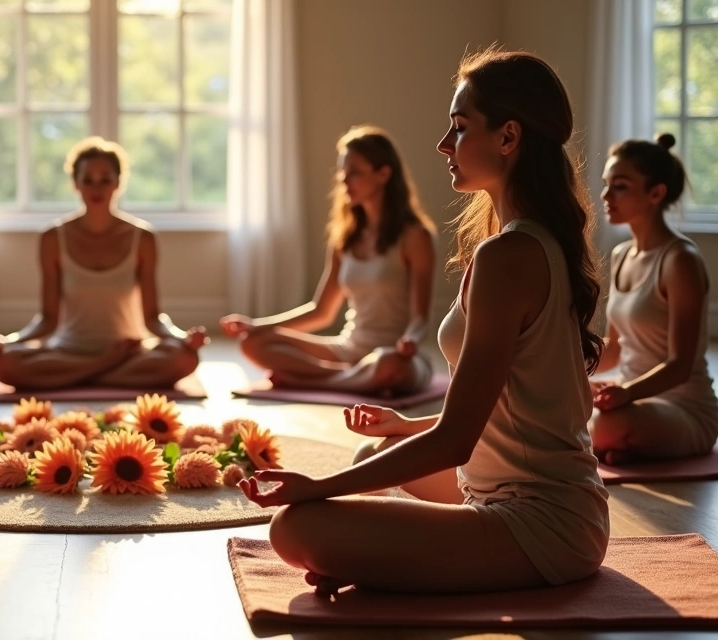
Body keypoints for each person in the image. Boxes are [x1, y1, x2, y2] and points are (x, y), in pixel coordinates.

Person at [240, 49, 609, 594]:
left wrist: (316, 487)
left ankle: (381, 555)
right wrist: (408, 426)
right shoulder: (517, 244)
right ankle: (386, 553)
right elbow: (507, 409)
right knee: (377, 453)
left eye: (459, 128)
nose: (443, 144)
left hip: (543, 523)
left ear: (508, 137)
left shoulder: (510, 256)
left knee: (297, 525)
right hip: (515, 490)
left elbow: (456, 441)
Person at [221, 126, 435, 395]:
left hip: (395, 355)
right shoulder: (343, 238)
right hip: (347, 351)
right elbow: (321, 311)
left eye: (355, 172)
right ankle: (352, 379)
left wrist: (411, 341)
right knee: (251, 342)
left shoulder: (416, 236)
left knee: (388, 365)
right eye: (342, 172)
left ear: (384, 174)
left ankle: (313, 381)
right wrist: (257, 325)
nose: (345, 180)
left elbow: (420, 318)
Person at [0, 136, 206, 390]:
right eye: (88, 180)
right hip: (68, 351)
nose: (96, 188)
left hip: (129, 351)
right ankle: (104, 369)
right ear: (75, 184)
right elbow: (47, 319)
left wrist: (183, 337)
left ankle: (78, 378)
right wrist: (7, 341)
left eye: (105, 179)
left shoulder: (143, 237)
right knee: (1, 363)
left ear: (118, 183)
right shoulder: (52, 238)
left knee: (184, 357)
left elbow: (153, 317)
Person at [589, 134, 718, 465]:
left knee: (602, 425)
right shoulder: (621, 255)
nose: (605, 195)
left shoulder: (680, 260)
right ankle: (628, 446)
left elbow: (681, 364)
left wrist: (626, 394)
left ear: (655, 193)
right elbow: (616, 348)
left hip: (682, 409)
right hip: (629, 397)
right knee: (548, 400)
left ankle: (622, 441)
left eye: (619, 186)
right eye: (606, 184)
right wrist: (572, 372)